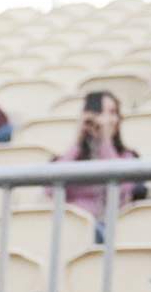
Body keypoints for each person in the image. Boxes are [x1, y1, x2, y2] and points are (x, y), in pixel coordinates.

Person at [53, 90, 142, 223]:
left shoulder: (128, 157)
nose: (105, 120)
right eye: (101, 113)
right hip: (72, 227)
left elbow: (122, 188)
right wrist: (79, 141)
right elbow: (51, 189)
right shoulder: (71, 158)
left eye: (113, 113)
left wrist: (105, 142)